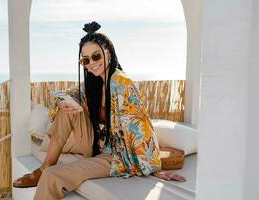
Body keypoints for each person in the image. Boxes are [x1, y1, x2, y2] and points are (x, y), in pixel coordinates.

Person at [13, 21, 186, 199]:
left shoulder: (121, 82)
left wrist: (152, 168)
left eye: (96, 56)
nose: (91, 63)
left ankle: (47, 171)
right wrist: (64, 101)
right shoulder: (94, 82)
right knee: (67, 105)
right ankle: (46, 166)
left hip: (115, 154)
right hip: (95, 142)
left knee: (52, 177)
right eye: (85, 60)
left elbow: (139, 126)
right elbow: (70, 93)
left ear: (109, 53)